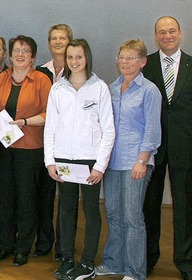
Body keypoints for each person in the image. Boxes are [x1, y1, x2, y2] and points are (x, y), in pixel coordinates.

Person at [44, 39, 115, 280]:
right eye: (70, 57)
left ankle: (86, 263)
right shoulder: (58, 89)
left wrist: (100, 166)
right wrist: (49, 161)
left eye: (79, 57)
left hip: (90, 162)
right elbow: (50, 127)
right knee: (66, 209)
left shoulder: (100, 88)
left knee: (91, 211)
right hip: (63, 159)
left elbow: (108, 130)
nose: (74, 62)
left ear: (87, 58)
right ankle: (66, 258)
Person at [95, 39, 161, 280]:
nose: (125, 62)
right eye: (121, 57)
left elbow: (152, 129)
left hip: (136, 162)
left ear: (142, 62)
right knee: (113, 213)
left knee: (133, 217)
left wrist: (142, 160)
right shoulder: (111, 89)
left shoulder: (149, 90)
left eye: (131, 58)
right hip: (112, 162)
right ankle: (114, 262)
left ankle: (135, 271)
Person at [0, 35, 51, 267]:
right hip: (3, 149)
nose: (20, 54)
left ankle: (23, 247)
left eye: (25, 50)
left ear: (32, 55)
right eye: (16, 51)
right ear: (9, 55)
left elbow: (49, 114)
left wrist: (24, 122)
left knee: (26, 198)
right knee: (5, 197)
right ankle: (5, 245)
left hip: (30, 149)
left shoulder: (42, 80)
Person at [142, 16, 192, 279]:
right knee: (149, 207)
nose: (168, 36)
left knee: (184, 209)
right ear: (155, 36)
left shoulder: (191, 64)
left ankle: (186, 263)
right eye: (162, 32)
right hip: (153, 149)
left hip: (186, 148)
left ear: (180, 34)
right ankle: (148, 260)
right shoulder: (145, 64)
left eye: (172, 31)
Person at [34, 23, 73, 262]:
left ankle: (64, 247)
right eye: (54, 38)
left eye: (62, 38)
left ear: (70, 41)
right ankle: (44, 241)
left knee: (67, 199)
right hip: (45, 142)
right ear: (49, 43)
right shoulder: (40, 71)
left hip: (70, 144)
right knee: (45, 195)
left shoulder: (78, 70)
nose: (58, 42)